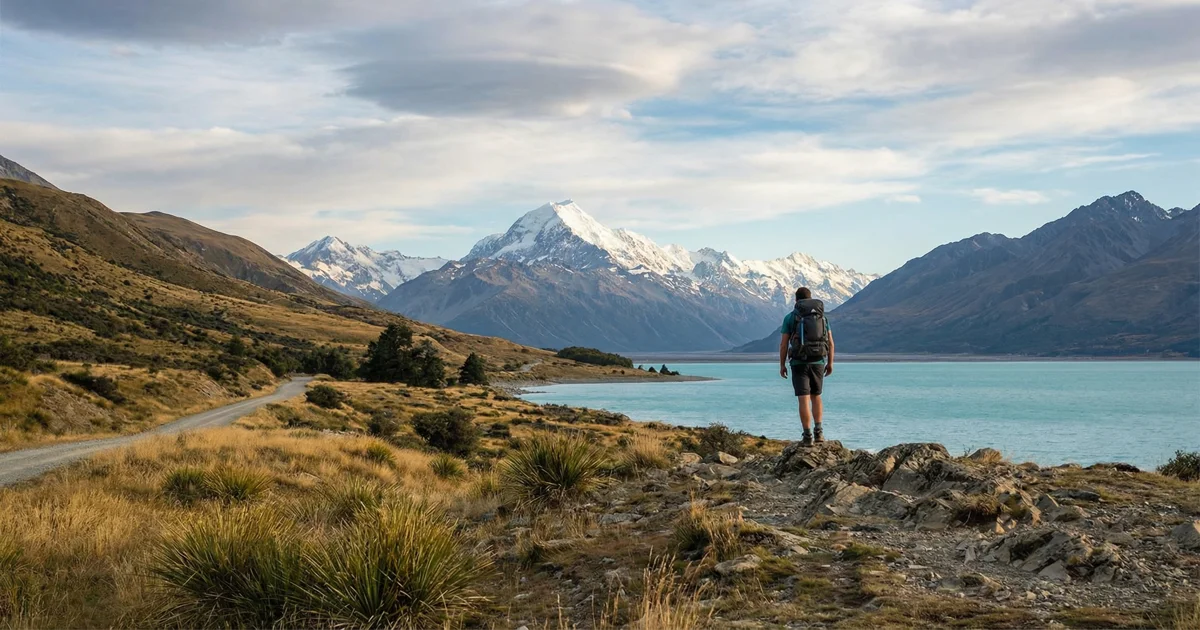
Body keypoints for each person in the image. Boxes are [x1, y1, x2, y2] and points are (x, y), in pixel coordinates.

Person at [779, 287, 835, 447]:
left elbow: (783, 344)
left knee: (803, 399)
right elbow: (830, 342)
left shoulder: (790, 318)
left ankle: (807, 435)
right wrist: (830, 362)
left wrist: (782, 365)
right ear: (810, 298)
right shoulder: (822, 318)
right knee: (816, 396)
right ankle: (819, 432)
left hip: (798, 362)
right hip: (818, 361)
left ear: (796, 301)